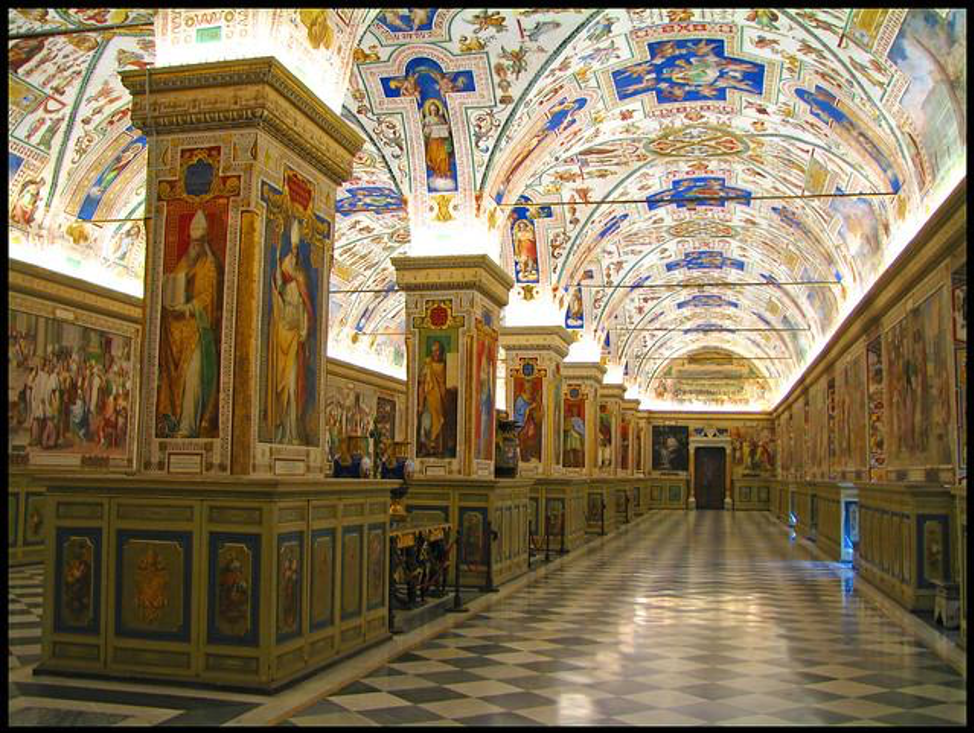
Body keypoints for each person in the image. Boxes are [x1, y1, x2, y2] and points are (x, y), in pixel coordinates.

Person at [157, 208, 222, 438]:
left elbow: (208, 298)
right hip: (178, 333)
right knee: (175, 379)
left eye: (198, 242)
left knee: (194, 376)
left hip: (198, 333)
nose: (194, 247)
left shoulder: (209, 266)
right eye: (192, 242)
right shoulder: (184, 263)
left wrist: (189, 307)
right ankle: (174, 423)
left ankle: (189, 425)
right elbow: (173, 287)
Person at [266, 218, 314, 445]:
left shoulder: (302, 279)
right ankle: (283, 429)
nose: (294, 256)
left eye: (296, 252)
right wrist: (278, 280)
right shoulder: (285, 282)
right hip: (283, 331)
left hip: (295, 335)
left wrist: (304, 329)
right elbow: (279, 292)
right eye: (291, 253)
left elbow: (307, 308)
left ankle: (293, 430)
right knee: (283, 382)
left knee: (294, 384)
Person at [418, 338, 448, 456]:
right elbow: (422, 384)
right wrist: (420, 404)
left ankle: (437, 447)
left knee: (440, 422)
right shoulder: (427, 365)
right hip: (428, 399)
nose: (436, 353)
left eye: (438, 350)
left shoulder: (445, 366)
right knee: (427, 421)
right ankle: (426, 446)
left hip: (441, 399)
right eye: (434, 350)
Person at [421, 98, 455, 189]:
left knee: (444, 157)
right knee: (435, 158)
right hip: (433, 142)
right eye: (432, 109)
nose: (434, 111)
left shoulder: (441, 118)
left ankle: (445, 173)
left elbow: (447, 129)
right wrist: (428, 129)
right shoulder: (428, 119)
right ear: (429, 110)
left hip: (442, 141)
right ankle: (437, 173)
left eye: (435, 109)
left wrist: (447, 129)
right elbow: (424, 132)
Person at [513, 378, 541, 463]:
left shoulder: (533, 398)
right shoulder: (520, 399)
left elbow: (539, 409)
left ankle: (532, 454)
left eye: (530, 387)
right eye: (527, 387)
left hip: (532, 421)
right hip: (523, 422)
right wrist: (529, 408)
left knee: (534, 435)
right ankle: (525, 457)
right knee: (525, 436)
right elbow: (519, 412)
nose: (529, 388)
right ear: (524, 387)